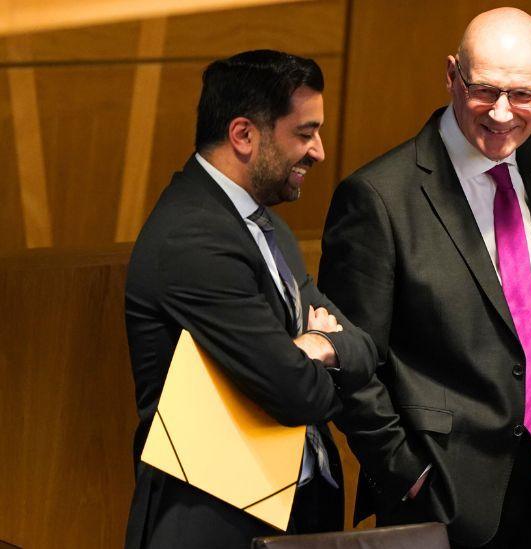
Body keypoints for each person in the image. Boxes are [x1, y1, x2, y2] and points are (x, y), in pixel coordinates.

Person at [318, 7, 531, 548]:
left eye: (522, 95)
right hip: (441, 497)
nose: (500, 113)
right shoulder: (378, 197)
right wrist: (407, 476)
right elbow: (351, 363)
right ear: (451, 75)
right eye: (483, 90)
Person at [124, 49, 377, 549]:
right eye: (304, 133)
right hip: (215, 523)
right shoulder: (193, 237)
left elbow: (364, 348)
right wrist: (308, 354)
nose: (319, 151)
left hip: (294, 516)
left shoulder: (266, 225)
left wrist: (320, 348)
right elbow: (297, 395)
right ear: (243, 135)